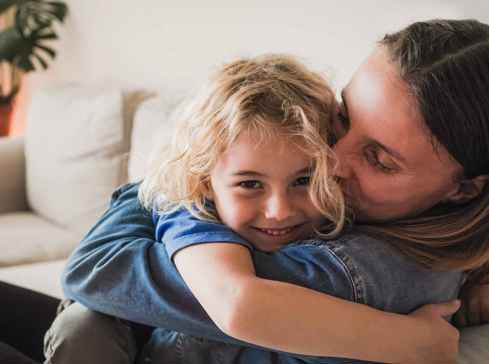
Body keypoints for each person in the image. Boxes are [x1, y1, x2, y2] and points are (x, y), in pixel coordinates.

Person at [44, 18, 489, 364]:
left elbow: (100, 269)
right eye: (343, 117)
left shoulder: (370, 270)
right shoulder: (360, 207)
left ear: (463, 190)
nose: (329, 161)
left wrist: (188, 193)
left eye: (380, 159)